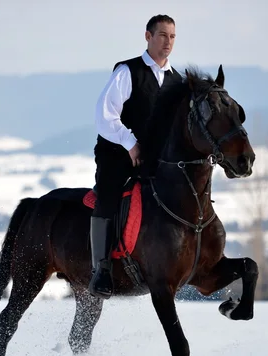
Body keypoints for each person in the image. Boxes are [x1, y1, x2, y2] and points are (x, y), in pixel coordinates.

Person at [88, 14, 183, 299]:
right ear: (148, 37)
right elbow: (104, 115)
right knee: (108, 196)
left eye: (173, 37)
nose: (168, 42)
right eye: (163, 35)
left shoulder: (176, 81)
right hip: (116, 154)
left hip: (155, 162)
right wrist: (131, 144)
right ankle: (101, 270)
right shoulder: (128, 72)